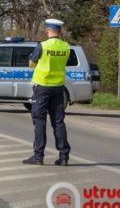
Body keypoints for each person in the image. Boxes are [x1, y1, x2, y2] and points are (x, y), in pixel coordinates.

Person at [22, 18, 71, 166]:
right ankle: (63, 156)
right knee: (58, 121)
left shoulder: (42, 46)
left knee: (40, 120)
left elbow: (31, 64)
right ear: (59, 31)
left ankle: (38, 156)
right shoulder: (66, 47)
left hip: (43, 87)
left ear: (47, 30)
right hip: (58, 87)